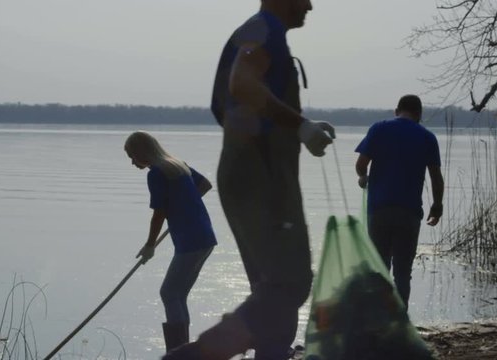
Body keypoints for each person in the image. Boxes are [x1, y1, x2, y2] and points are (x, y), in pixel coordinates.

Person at [164, 0, 335, 359]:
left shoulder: (262, 32)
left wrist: (299, 127)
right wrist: (299, 126)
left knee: (273, 288)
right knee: (289, 284)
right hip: (260, 178)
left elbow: (229, 105)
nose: (309, 6)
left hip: (255, 174)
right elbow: (242, 84)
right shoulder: (262, 29)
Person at [124, 131, 217, 353]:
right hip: (205, 237)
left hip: (190, 240)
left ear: (141, 152)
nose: (132, 162)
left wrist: (149, 245)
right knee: (178, 295)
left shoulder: (156, 173)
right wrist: (185, 203)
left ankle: (178, 352)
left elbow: (159, 212)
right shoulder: (178, 165)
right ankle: (183, 352)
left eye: (131, 156)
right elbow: (205, 185)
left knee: (169, 293)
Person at [354, 94, 444, 309]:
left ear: (397, 110)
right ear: (419, 114)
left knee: (380, 268)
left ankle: (380, 320)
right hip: (409, 212)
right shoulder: (427, 137)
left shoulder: (379, 129)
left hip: (379, 210)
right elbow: (435, 176)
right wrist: (437, 205)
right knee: (403, 272)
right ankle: (401, 321)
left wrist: (363, 177)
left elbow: (360, 164)